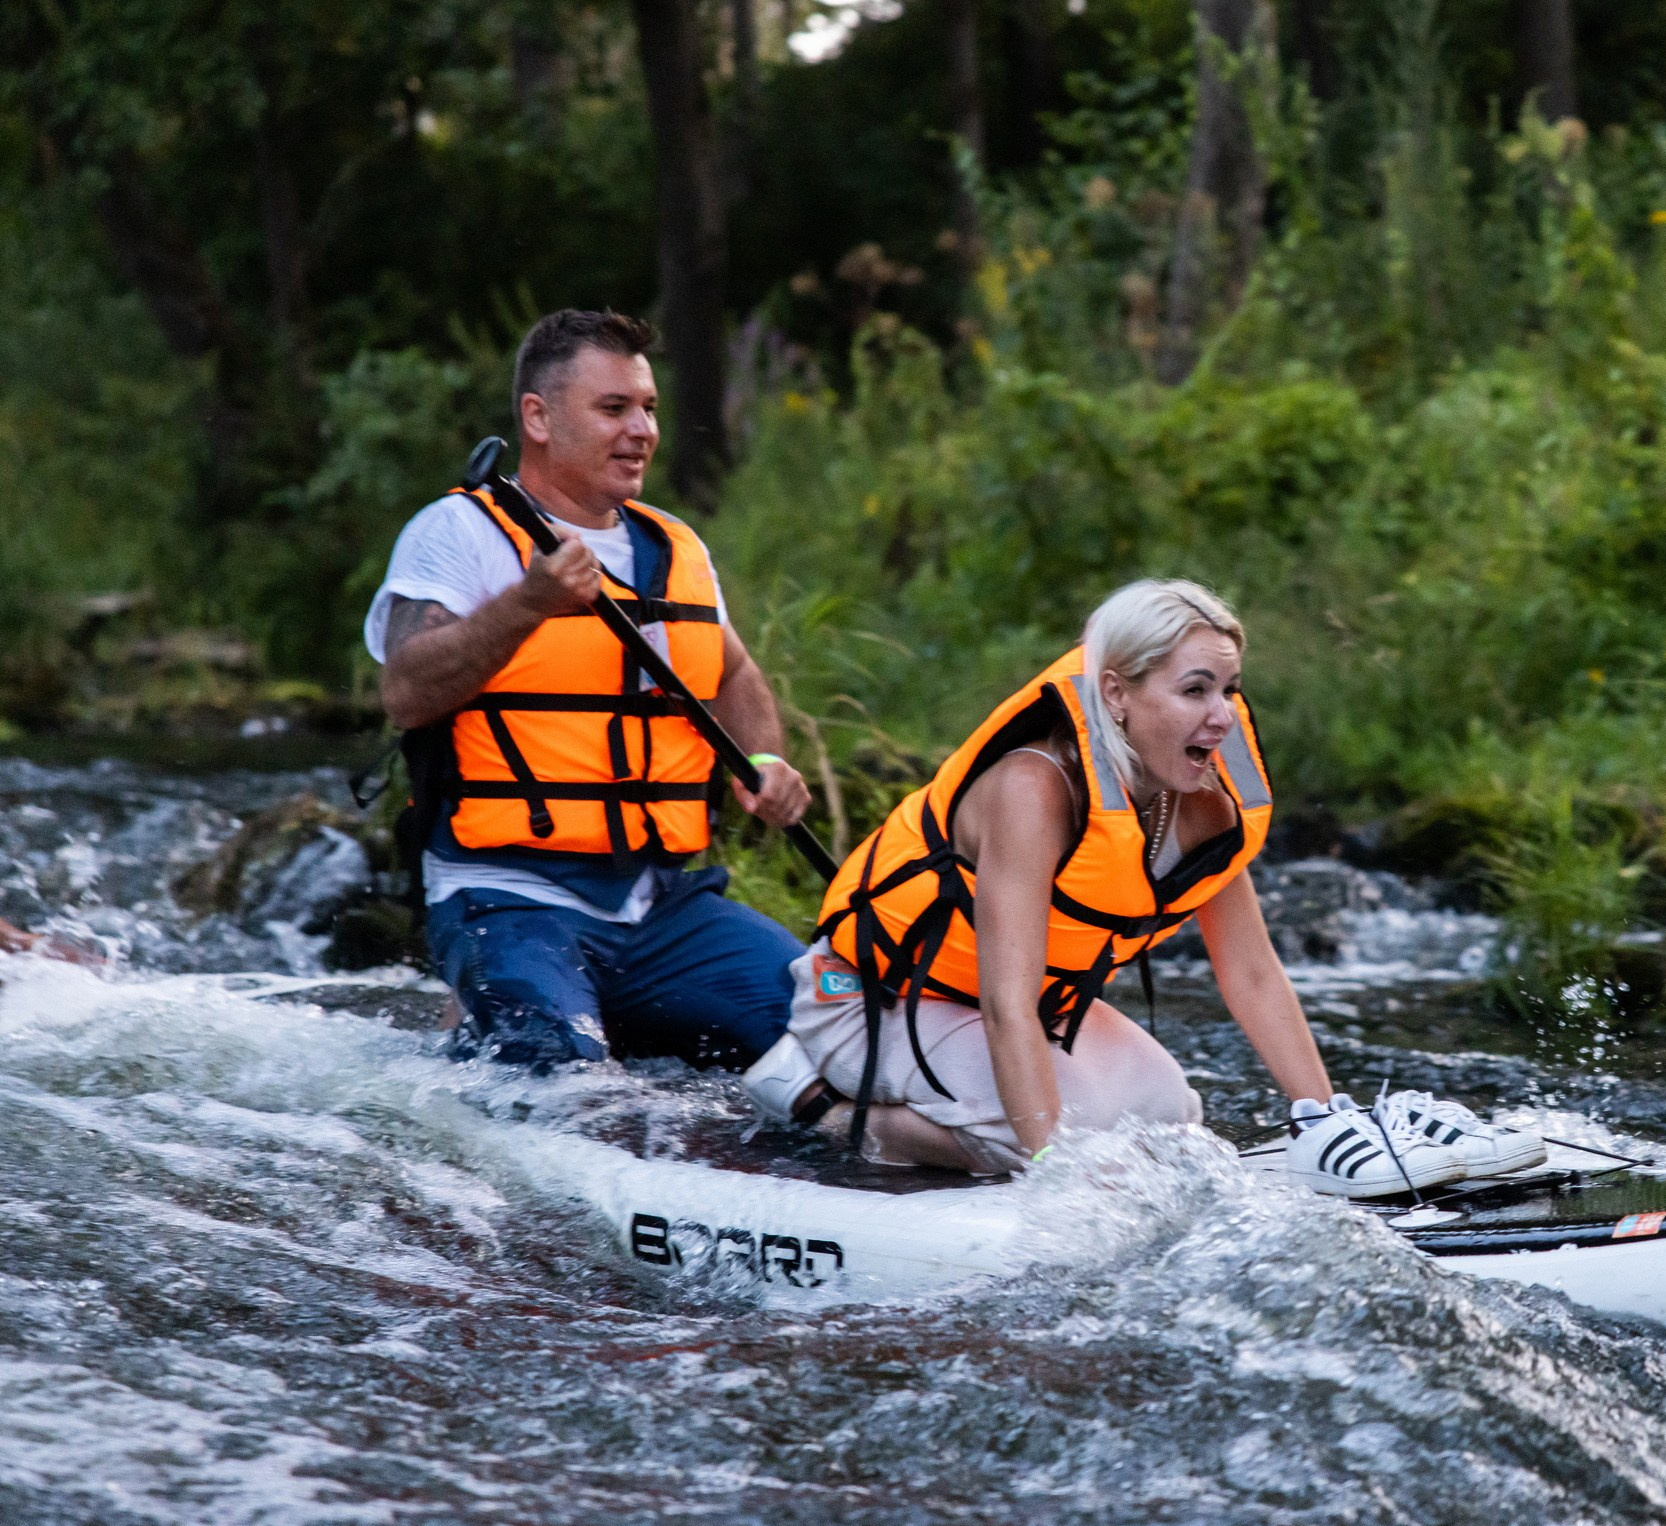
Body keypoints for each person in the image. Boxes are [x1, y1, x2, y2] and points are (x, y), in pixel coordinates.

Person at [738, 578, 1547, 1197]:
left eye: (1229, 689)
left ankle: (994, 1125)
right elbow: (1011, 1005)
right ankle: (821, 1106)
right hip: (867, 999)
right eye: (1195, 690)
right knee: (1050, 1137)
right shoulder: (1035, 786)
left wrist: (1321, 1116)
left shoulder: (1200, 803)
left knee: (1169, 1115)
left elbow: (1253, 972)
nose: (1223, 716)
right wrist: (1052, 1174)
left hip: (978, 1012)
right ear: (1117, 695)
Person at [366, 309, 811, 1070]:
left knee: (834, 1032)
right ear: (537, 418)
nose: (642, 429)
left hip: (659, 906)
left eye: (649, 408)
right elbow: (405, 690)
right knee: (562, 1079)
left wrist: (764, 761)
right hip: (506, 897)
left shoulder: (675, 546)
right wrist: (528, 604)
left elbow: (731, 671)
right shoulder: (458, 533)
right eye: (614, 409)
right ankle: (523, 1023)